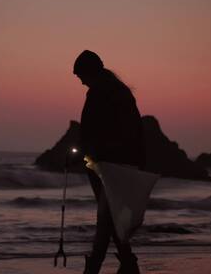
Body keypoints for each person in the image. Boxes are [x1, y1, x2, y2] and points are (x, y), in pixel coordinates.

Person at [73, 50, 146, 274]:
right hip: (118, 163)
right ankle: (127, 263)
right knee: (112, 216)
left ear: (90, 71)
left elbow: (100, 130)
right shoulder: (118, 90)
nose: (81, 81)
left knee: (106, 217)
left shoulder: (100, 92)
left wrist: (92, 153)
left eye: (81, 75)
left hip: (109, 165)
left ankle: (94, 267)